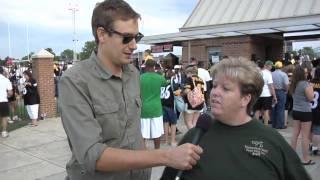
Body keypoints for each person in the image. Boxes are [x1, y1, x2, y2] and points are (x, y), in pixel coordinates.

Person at [58, 1, 202, 179]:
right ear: (102, 34)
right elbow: (92, 155)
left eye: (137, 37)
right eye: (126, 37)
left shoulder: (133, 74)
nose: (134, 45)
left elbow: (134, 131)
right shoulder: (75, 81)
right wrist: (165, 156)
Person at [161, 57, 311, 180]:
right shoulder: (196, 135)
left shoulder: (271, 141)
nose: (215, 93)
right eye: (214, 86)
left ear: (245, 99)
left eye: (225, 88)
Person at [290, 65, 315, 165]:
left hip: (295, 111)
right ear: (301, 74)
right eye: (305, 73)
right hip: (305, 112)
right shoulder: (305, 84)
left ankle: (291, 157)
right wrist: (311, 88)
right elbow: (311, 98)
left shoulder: (293, 84)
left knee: (295, 134)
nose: (307, 74)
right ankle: (305, 159)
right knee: (305, 136)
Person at [140, 60, 166, 149]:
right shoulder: (160, 78)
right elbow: (166, 87)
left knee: (142, 133)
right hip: (156, 108)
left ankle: (143, 153)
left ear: (145, 66)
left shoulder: (140, 78)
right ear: (154, 66)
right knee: (157, 132)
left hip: (143, 108)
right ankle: (157, 151)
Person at [254, 60, 277, 125]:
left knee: (257, 110)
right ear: (265, 66)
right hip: (266, 95)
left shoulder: (256, 73)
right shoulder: (268, 73)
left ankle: (256, 126)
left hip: (257, 94)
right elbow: (271, 86)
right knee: (266, 110)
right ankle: (266, 126)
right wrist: (274, 96)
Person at [271, 61, 289, 129]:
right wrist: (286, 91)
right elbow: (286, 84)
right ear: (281, 67)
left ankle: (274, 124)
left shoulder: (271, 74)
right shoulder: (283, 74)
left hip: (273, 92)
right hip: (281, 92)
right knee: (281, 108)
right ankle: (280, 125)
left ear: (275, 67)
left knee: (273, 108)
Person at [0, 66, 13, 138]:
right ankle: (4, 132)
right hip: (3, 101)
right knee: (4, 117)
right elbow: (10, 93)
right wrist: (7, 96)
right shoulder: (6, 80)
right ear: (2, 72)